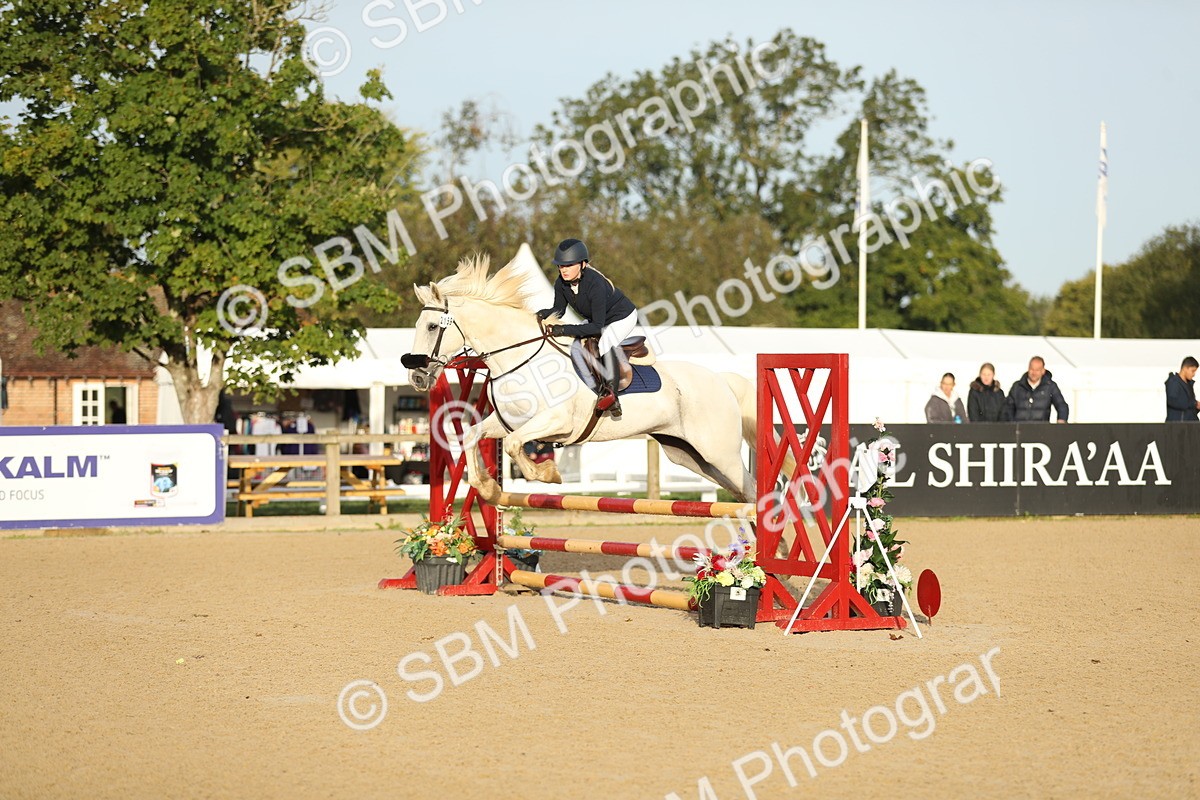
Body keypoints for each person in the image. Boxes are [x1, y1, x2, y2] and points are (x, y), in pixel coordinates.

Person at [537, 238, 638, 418]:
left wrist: (564, 330)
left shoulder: (595, 284)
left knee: (605, 342)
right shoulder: (560, 283)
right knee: (575, 343)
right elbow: (558, 311)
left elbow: (598, 327)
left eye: (568, 265)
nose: (563, 270)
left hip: (622, 317)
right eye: (560, 266)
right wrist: (540, 315)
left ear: (583, 264)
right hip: (598, 319)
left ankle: (611, 395)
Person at [1007, 356, 1069, 422]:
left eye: (1037, 370)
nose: (1034, 373)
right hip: (1020, 429)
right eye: (1032, 369)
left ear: (1043, 371)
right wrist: (1011, 424)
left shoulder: (1050, 386)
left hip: (1042, 429)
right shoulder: (1017, 386)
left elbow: (1061, 405)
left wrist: (1061, 420)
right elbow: (1008, 408)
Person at [1165, 356, 1199, 421]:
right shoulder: (1174, 382)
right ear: (1185, 368)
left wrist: (1196, 407)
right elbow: (1173, 401)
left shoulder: (1189, 384)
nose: (1194, 374)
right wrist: (1194, 403)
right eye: (1193, 371)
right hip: (1178, 426)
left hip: (1190, 426)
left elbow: (1188, 409)